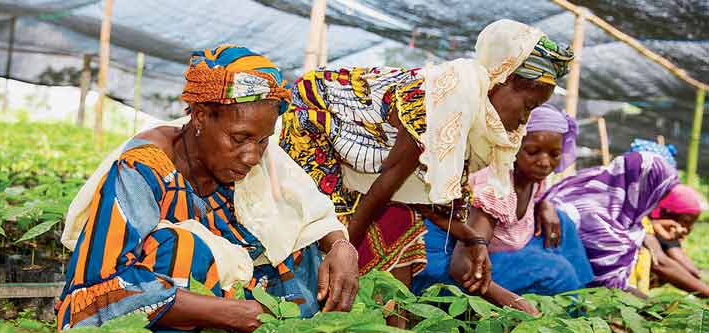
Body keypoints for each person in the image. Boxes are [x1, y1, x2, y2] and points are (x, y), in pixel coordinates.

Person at [55, 46, 359, 333]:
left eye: (262, 141)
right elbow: (102, 286)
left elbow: (313, 212)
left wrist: (342, 247)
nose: (252, 156)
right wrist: (232, 314)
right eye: (240, 138)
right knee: (182, 250)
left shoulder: (252, 157)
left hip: (235, 303)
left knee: (302, 250)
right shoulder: (144, 167)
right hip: (162, 319)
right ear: (200, 116)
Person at [280, 19, 573, 313]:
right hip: (316, 121)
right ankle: (313, 311)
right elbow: (383, 188)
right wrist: (345, 252)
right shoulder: (445, 100)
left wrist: (472, 238)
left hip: (368, 160)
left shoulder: (473, 111)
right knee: (327, 223)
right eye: (528, 106)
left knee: (401, 222)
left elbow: (426, 199)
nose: (525, 119)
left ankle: (362, 324)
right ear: (503, 80)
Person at [414, 105, 593, 313]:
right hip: (444, 270)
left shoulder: (533, 181)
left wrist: (544, 204)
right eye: (533, 152)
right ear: (514, 148)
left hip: (489, 254)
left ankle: (586, 297)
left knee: (563, 224)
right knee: (557, 272)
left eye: (554, 154)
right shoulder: (495, 188)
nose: (544, 162)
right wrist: (514, 301)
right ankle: (575, 318)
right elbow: (462, 266)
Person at [542, 151, 680, 296]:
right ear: (644, 187)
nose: (658, 201)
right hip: (556, 297)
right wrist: (657, 310)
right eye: (659, 193)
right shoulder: (595, 216)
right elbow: (605, 290)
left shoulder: (621, 215)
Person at [645, 184, 708, 295]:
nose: (688, 229)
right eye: (686, 221)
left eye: (692, 224)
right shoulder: (643, 227)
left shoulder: (658, 226)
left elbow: (688, 266)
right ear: (664, 213)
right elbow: (663, 263)